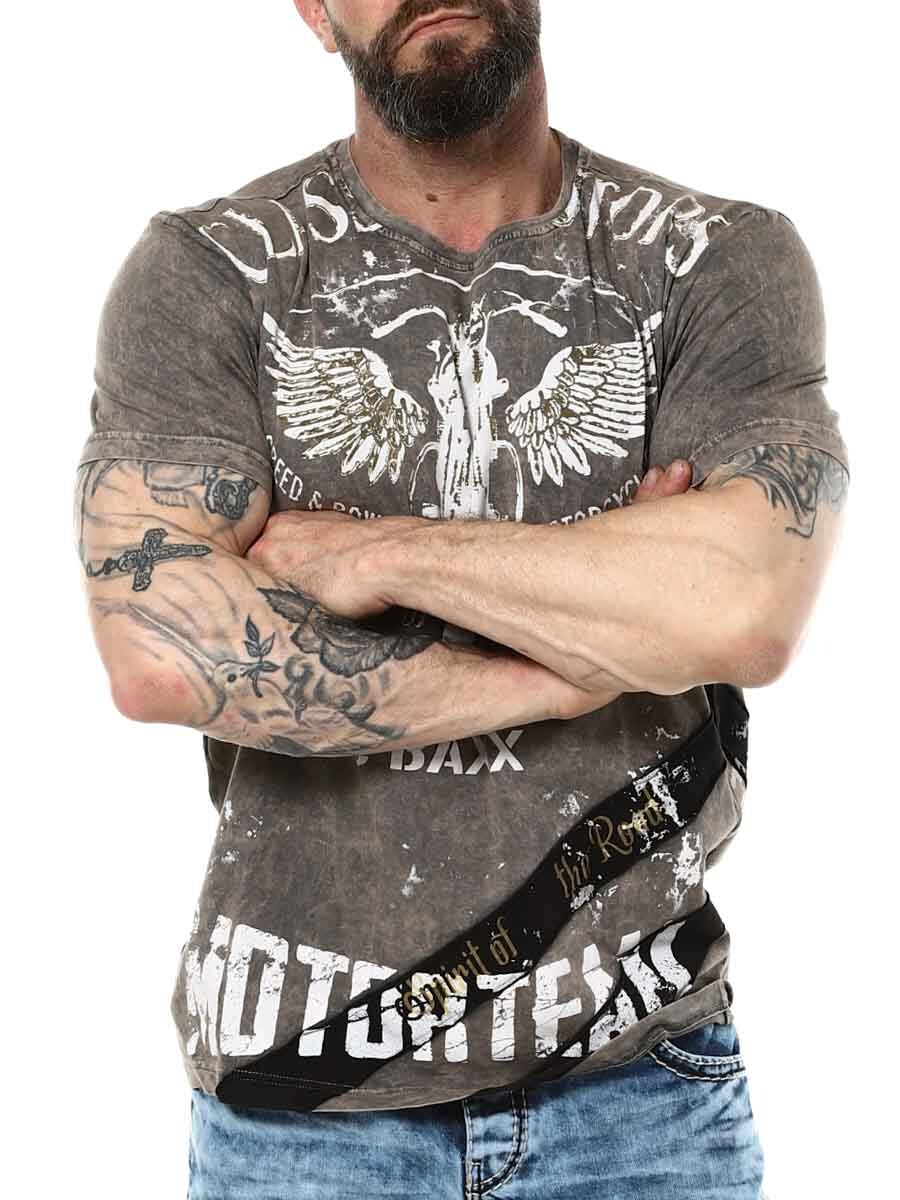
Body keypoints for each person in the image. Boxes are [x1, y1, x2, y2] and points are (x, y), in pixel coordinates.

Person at [74, 2, 849, 1196]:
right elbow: (163, 650)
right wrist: (578, 655)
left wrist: (379, 555)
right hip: (303, 1109)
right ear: (314, 10)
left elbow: (744, 604)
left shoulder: (714, 259)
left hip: (642, 1095)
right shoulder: (212, 269)